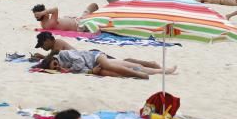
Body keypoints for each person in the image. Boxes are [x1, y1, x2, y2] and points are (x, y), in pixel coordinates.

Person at [39, 49, 174, 79]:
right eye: (55, 68)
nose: (57, 67)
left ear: (54, 59)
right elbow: (81, 71)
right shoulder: (63, 69)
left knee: (110, 66)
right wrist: (91, 72)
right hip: (92, 67)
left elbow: (79, 62)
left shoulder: (63, 54)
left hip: (95, 56)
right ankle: (138, 73)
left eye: (55, 64)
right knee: (108, 73)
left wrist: (70, 70)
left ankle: (139, 74)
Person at [32, 4, 98, 32]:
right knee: (93, 5)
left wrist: (42, 13)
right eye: (45, 10)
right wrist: (43, 12)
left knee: (91, 10)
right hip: (80, 24)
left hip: (77, 21)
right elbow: (55, 9)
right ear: (44, 14)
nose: (48, 11)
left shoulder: (45, 22)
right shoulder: (49, 24)